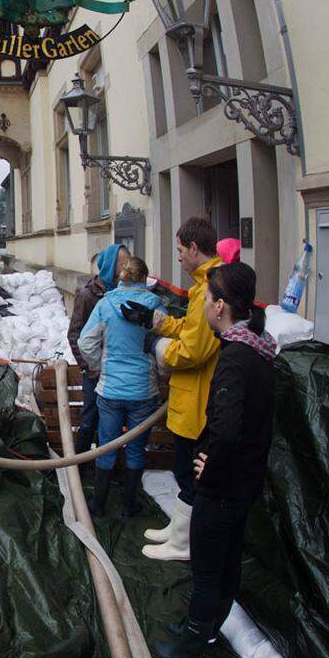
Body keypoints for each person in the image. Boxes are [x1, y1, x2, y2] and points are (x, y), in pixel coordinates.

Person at [155, 261, 277, 658]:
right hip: (245, 483)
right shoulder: (259, 350)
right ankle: (207, 630)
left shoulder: (234, 359)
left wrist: (210, 466)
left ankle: (191, 646)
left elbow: (225, 429)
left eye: (207, 300)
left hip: (223, 488)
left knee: (207, 568)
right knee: (226, 563)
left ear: (221, 306)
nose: (204, 306)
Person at [121, 217, 223, 561]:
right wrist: (155, 321)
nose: (178, 257)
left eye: (180, 250)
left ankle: (184, 543)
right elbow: (190, 327)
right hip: (189, 398)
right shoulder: (203, 287)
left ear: (194, 249)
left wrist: (157, 346)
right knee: (184, 471)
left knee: (189, 472)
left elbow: (194, 349)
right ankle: (179, 531)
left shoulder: (212, 288)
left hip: (198, 402)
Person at [77, 255, 161, 517]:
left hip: (111, 389)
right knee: (136, 448)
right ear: (145, 279)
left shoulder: (105, 304)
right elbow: (165, 350)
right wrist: (160, 373)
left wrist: (98, 368)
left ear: (122, 277)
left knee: (107, 445)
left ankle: (98, 505)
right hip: (143, 391)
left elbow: (86, 342)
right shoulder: (157, 307)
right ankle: (128, 507)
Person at [66, 243, 129, 459]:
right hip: (94, 373)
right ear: (110, 266)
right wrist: (89, 367)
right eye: (122, 264)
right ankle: (82, 466)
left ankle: (110, 468)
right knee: (89, 419)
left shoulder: (124, 293)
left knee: (113, 423)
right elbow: (74, 335)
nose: (125, 268)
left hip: (116, 371)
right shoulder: (87, 296)